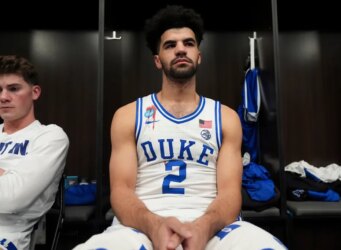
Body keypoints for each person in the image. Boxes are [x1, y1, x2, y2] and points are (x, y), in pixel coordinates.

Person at [74, 5, 286, 250]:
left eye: (188, 43)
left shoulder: (225, 118)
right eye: (170, 45)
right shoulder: (128, 115)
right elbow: (121, 192)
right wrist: (155, 226)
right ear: (157, 60)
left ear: (199, 55)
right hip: (140, 226)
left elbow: (230, 194)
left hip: (215, 227)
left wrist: (202, 227)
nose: (180, 49)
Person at [0, 55, 69, 250]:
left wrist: (11, 183)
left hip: (8, 236)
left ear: (35, 92)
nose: (3, 97)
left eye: (13, 89)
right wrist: (8, 175)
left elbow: (11, 198)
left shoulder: (50, 136)